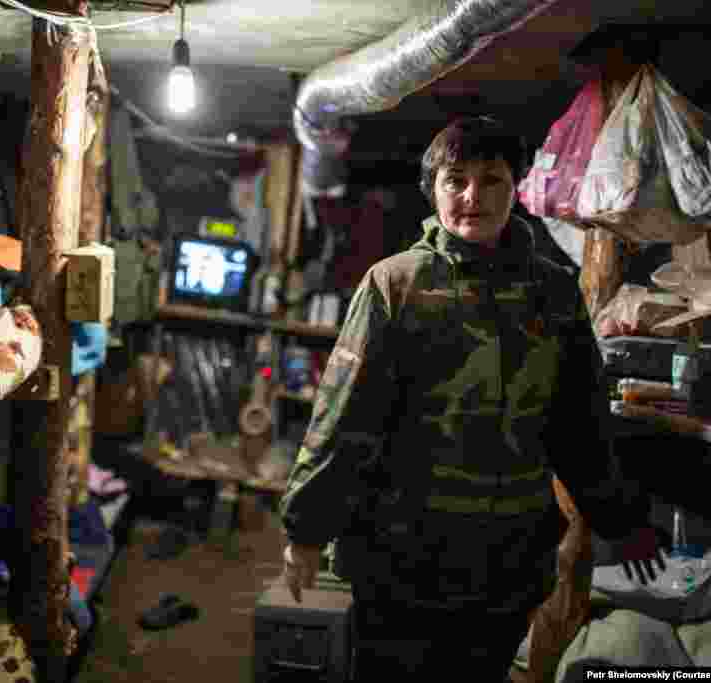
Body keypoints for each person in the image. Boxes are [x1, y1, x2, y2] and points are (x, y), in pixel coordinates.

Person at [278, 116, 664, 679]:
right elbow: (345, 418)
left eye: (492, 180)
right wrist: (307, 529)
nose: (471, 196)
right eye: (455, 179)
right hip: (399, 560)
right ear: (432, 190)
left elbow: (578, 423)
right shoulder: (397, 284)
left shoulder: (553, 292)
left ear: (517, 189)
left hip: (506, 564)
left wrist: (622, 518)